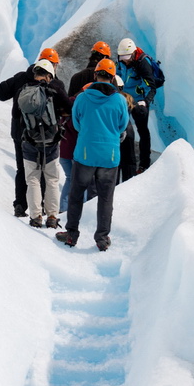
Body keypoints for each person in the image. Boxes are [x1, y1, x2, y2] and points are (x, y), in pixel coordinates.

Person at [57, 58, 128, 251]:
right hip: (109, 156)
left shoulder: (82, 97)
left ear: (96, 75)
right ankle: (102, 238)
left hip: (85, 154)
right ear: (112, 78)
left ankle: (71, 234)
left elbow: (77, 124)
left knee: (76, 193)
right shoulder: (120, 100)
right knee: (105, 198)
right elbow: (122, 126)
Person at [0, 47, 68, 218]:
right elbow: (68, 109)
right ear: (54, 66)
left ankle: (20, 205)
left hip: (21, 133)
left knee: (24, 170)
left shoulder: (22, 78)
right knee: (46, 172)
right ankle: (45, 208)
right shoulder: (56, 85)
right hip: (48, 136)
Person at [18, 59, 70, 228]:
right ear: (49, 75)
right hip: (51, 143)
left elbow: (15, 115)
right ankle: (52, 216)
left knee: (32, 179)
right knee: (52, 180)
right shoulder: (54, 89)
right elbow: (69, 108)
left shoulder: (24, 90)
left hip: (30, 142)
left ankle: (35, 216)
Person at [61, 41, 111, 207]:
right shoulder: (112, 90)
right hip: (101, 141)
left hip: (74, 138)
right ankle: (87, 209)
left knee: (75, 178)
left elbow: (69, 110)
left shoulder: (77, 77)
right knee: (93, 181)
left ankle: (67, 209)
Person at [116, 37, 161, 174]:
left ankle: (144, 164)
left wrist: (145, 101)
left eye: (127, 57)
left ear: (134, 53)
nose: (124, 59)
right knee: (123, 130)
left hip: (139, 101)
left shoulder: (142, 63)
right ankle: (121, 162)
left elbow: (151, 86)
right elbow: (117, 77)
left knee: (143, 131)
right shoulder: (120, 62)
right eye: (122, 57)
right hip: (124, 99)